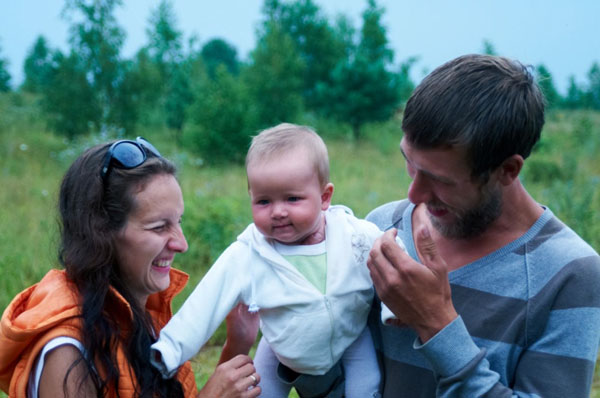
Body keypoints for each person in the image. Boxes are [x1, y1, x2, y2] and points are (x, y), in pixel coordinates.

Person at [366, 54, 600, 397]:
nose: (413, 193)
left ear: (508, 170)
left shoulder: (570, 275)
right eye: (410, 164)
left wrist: (436, 323)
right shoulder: (382, 228)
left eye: (440, 179)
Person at [0, 137, 261, 398]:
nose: (182, 244)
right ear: (101, 233)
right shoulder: (68, 351)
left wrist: (236, 344)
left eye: (178, 221)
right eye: (159, 227)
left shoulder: (140, 311)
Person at [151, 124, 393, 398]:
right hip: (280, 345)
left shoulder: (352, 235)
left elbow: (391, 256)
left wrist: (394, 309)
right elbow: (207, 300)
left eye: (292, 199)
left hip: (351, 336)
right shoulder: (250, 253)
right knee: (260, 391)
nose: (278, 212)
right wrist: (169, 349)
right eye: (264, 201)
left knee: (367, 385)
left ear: (324, 197)